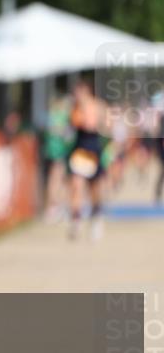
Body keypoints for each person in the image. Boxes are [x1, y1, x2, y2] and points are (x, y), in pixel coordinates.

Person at [65, 79, 109, 240]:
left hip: (94, 147)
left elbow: (106, 127)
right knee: (76, 184)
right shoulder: (74, 107)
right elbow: (71, 127)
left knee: (94, 189)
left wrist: (98, 124)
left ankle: (96, 217)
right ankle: (76, 220)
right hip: (80, 148)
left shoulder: (99, 105)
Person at [42, 94, 74, 222]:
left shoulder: (57, 116)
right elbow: (55, 131)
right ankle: (52, 208)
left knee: (60, 180)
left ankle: (57, 207)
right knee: (55, 180)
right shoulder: (56, 116)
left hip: (60, 152)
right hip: (56, 153)